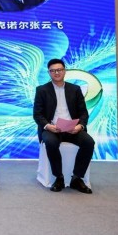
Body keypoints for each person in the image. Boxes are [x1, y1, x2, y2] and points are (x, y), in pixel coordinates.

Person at [33, 58, 95, 193]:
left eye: (59, 70)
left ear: (64, 71)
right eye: (53, 71)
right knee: (51, 143)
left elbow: (83, 113)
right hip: (52, 129)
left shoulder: (75, 89)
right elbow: (37, 115)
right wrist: (48, 126)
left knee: (89, 142)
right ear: (49, 73)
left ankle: (77, 178)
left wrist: (80, 126)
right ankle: (59, 177)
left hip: (72, 129)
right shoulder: (42, 90)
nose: (56, 73)